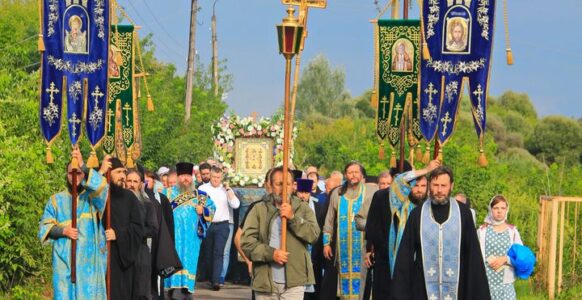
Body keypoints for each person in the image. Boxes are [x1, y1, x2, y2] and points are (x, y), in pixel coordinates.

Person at [391, 166, 490, 300]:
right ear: (429, 186)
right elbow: (405, 256)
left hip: (457, 287)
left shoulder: (463, 214)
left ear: (451, 186)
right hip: (422, 287)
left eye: (443, 185)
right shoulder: (417, 214)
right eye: (435, 185)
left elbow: (473, 255)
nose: (439, 190)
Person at [38, 149, 110, 299]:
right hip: (64, 261)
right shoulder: (55, 200)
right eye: (72, 173)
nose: (75, 176)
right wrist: (63, 231)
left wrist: (83, 165)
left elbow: (102, 188)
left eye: (78, 173)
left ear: (84, 175)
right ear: (67, 175)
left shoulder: (91, 198)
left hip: (88, 263)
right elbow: (44, 227)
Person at [241, 167, 320, 300]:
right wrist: (271, 254)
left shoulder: (303, 208)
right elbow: (247, 243)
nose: (283, 189)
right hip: (265, 283)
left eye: (287, 184)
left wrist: (293, 218)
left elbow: (314, 235)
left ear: (293, 186)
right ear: (270, 186)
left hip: (294, 284)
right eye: (279, 184)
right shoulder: (259, 209)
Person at [323, 161, 378, 300]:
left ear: (361, 174)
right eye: (350, 172)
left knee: (363, 281)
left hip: (363, 246)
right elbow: (329, 219)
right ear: (345, 175)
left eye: (356, 172)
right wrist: (326, 243)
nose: (353, 175)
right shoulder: (337, 193)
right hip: (342, 248)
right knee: (343, 282)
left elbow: (376, 220)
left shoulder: (371, 192)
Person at [164, 162, 216, 299]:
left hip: (191, 240)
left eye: (188, 176)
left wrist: (203, 210)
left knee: (188, 268)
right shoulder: (167, 194)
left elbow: (212, 209)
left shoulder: (201, 196)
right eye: (183, 176)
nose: (186, 179)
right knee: (172, 269)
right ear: (178, 177)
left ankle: (187, 292)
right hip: (172, 239)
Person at [104, 158, 146, 300]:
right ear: (107, 174)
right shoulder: (100, 197)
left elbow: (138, 227)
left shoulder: (130, 198)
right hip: (102, 255)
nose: (123, 176)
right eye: (118, 172)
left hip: (123, 257)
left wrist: (118, 234)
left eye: (124, 172)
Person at [199, 166, 241, 290]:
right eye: (213, 177)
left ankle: (216, 281)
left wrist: (228, 190)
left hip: (222, 225)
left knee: (219, 252)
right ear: (210, 176)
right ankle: (211, 276)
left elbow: (236, 205)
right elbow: (199, 205)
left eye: (218, 177)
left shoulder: (226, 190)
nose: (216, 180)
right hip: (208, 224)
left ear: (221, 177)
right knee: (208, 253)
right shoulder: (203, 189)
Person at [143, 169, 182, 299]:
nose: (146, 181)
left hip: (158, 241)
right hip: (143, 244)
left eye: (149, 179)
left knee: (156, 275)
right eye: (145, 179)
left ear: (154, 181)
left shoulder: (161, 198)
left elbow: (168, 222)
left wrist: (169, 243)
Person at [477, 195, 523, 300]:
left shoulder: (513, 232)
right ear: (490, 209)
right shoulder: (482, 231)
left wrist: (506, 259)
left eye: (502, 208)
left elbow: (520, 257)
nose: (499, 211)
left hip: (506, 285)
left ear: (507, 210)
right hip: (485, 283)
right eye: (496, 208)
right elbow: (475, 255)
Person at [126, 169, 160, 299]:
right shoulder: (117, 203)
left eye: (135, 181)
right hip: (122, 250)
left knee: (141, 291)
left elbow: (153, 229)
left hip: (140, 251)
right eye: (129, 181)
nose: (132, 184)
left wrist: (132, 232)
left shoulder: (147, 204)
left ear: (141, 184)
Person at [295, 178, 321, 300]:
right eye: (301, 192)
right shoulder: (293, 205)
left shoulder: (317, 205)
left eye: (306, 193)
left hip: (314, 250)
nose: (303, 195)